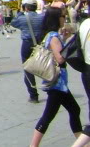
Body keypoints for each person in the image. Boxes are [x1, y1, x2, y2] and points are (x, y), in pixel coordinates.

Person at [30, 7, 82, 146]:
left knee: (74, 109)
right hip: (56, 82)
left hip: (59, 82)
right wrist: (71, 43)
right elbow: (60, 59)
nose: (64, 19)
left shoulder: (52, 35)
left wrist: (64, 38)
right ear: (56, 18)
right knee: (48, 115)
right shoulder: (53, 36)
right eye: (63, 16)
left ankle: (82, 141)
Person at [12, 0, 44, 103]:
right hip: (39, 44)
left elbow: (13, 23)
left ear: (26, 7)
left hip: (26, 44)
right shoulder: (42, 17)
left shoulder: (22, 18)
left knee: (28, 70)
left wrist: (20, 11)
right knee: (44, 66)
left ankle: (33, 95)